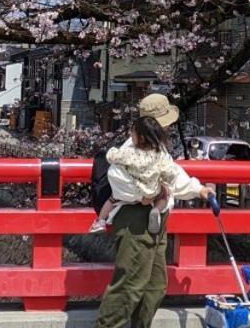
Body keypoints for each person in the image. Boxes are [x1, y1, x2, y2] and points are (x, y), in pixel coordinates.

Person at [94, 94, 213, 328]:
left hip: (156, 220)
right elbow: (116, 179)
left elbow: (173, 174)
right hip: (135, 218)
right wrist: (146, 196)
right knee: (130, 285)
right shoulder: (132, 148)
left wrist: (198, 190)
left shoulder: (156, 146)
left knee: (155, 286)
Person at [88, 115, 177, 235]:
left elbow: (111, 156)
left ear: (140, 138)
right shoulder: (159, 154)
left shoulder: (131, 153)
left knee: (111, 199)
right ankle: (156, 210)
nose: (131, 135)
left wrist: (111, 151)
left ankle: (100, 221)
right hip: (153, 191)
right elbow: (170, 172)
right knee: (164, 195)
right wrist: (165, 183)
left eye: (132, 133)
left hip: (135, 190)